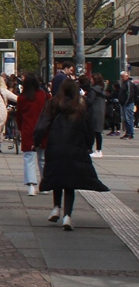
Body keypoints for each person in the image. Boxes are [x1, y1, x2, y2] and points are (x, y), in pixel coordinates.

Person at [38, 76, 109, 231]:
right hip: (74, 148)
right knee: (70, 183)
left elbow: (41, 125)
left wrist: (37, 141)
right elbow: (89, 130)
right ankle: (67, 217)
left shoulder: (52, 104)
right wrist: (89, 146)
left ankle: (56, 207)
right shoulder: (79, 108)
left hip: (55, 146)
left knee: (58, 177)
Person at [15, 74, 49, 196]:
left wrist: (20, 129)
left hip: (28, 129)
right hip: (43, 129)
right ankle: (44, 185)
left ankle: (31, 186)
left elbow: (19, 116)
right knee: (43, 159)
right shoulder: (43, 95)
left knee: (28, 158)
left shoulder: (22, 98)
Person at [87, 73, 107, 158]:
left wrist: (84, 97)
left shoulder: (93, 90)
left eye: (92, 79)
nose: (90, 80)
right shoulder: (102, 89)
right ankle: (99, 149)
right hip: (100, 112)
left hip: (93, 112)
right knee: (98, 131)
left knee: (92, 131)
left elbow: (89, 101)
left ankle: (91, 149)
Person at [121, 70, 136, 140]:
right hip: (125, 104)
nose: (122, 78)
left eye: (123, 77)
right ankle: (128, 133)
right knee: (126, 119)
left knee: (128, 119)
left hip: (128, 104)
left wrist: (126, 102)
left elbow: (130, 94)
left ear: (127, 76)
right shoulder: (124, 83)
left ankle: (130, 133)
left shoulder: (128, 83)